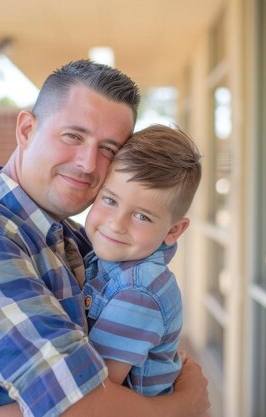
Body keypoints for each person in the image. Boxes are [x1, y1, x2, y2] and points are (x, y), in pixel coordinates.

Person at [0, 59, 209, 417]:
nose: (87, 163)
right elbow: (76, 407)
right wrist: (182, 405)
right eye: (73, 136)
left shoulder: (70, 237)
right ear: (25, 130)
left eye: (108, 149)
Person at [82, 124, 202, 396]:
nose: (116, 224)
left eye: (142, 216)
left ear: (173, 230)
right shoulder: (106, 259)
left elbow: (97, 391)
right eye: (110, 201)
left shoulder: (138, 292)